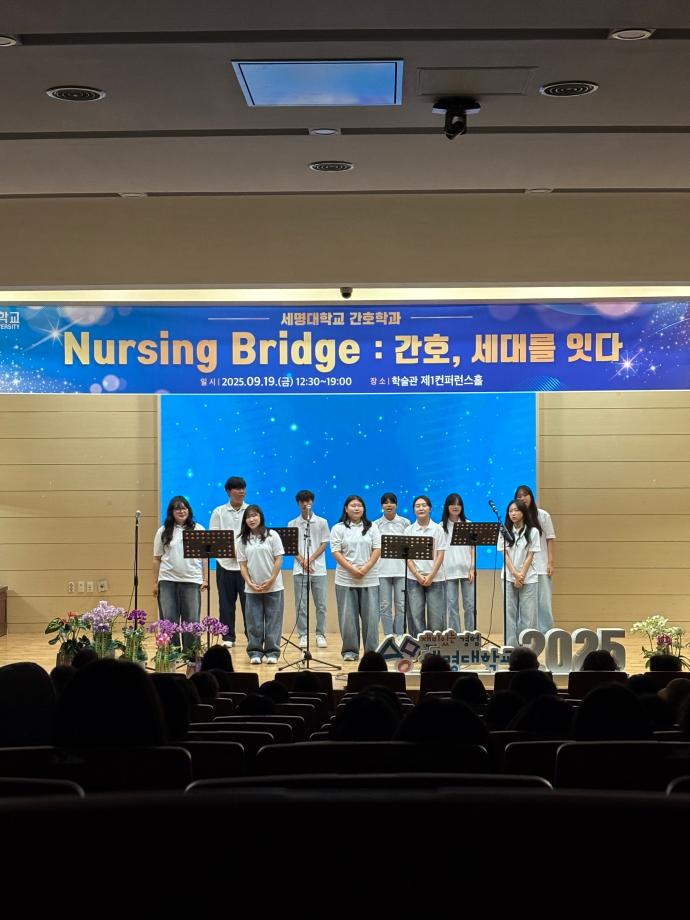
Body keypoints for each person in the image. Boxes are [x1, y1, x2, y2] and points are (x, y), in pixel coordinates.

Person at [330, 494, 381, 662]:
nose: (357, 508)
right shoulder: (338, 528)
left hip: (369, 579)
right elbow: (336, 551)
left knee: (371, 619)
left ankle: (371, 653)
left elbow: (377, 549)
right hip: (345, 579)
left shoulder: (372, 527)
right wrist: (352, 570)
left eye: (359, 505)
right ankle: (350, 651)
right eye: (353, 505)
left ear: (364, 509)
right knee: (348, 619)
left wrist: (365, 569)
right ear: (346, 509)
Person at [153, 495, 208, 648]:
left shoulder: (198, 529)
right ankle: (172, 652)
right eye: (177, 509)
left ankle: (191, 654)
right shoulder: (163, 531)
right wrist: (155, 583)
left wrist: (205, 579)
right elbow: (156, 558)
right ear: (171, 512)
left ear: (189, 510)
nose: (181, 511)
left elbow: (205, 557)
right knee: (169, 620)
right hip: (167, 580)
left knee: (191, 620)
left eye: (184, 508)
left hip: (191, 580)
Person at [236, 504, 285, 665]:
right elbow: (242, 564)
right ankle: (255, 652)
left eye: (254, 515)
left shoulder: (272, 535)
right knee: (254, 622)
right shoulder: (242, 540)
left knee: (273, 621)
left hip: (274, 586)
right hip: (252, 588)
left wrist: (271, 580)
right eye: (248, 517)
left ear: (261, 517)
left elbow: (279, 559)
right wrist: (249, 582)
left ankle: (272, 652)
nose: (252, 519)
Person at [287, 489, 330, 649]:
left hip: (318, 570)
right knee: (301, 605)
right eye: (302, 501)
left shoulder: (322, 522)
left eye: (308, 501)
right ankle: (303, 635)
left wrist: (310, 560)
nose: (306, 504)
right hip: (299, 570)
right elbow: (291, 546)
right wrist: (302, 561)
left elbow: (324, 543)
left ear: (313, 502)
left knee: (321, 605)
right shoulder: (292, 523)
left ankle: (320, 634)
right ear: (298, 503)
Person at [209, 476, 248, 648]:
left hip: (246, 566)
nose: (241, 492)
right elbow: (215, 537)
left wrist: (241, 554)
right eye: (237, 489)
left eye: (243, 488)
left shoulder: (251, 511)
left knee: (249, 603)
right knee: (225, 603)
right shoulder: (218, 512)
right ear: (228, 491)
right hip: (224, 564)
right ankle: (228, 637)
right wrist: (231, 551)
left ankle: (252, 637)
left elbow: (255, 535)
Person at [497, 498, 541, 648]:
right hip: (508, 577)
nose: (513, 513)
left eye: (516, 510)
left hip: (529, 578)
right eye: (510, 511)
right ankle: (511, 647)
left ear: (523, 512)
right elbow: (505, 555)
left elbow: (530, 555)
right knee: (509, 614)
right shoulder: (504, 531)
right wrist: (515, 574)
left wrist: (521, 575)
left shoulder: (533, 531)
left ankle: (527, 649)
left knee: (528, 616)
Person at [514, 485, 556, 633]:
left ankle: (546, 634)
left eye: (525, 495)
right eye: (519, 496)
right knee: (524, 604)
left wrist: (550, 562)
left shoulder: (543, 515)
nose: (522, 498)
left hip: (541, 566)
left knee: (544, 602)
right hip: (522, 569)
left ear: (531, 496)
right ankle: (525, 634)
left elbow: (550, 539)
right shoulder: (517, 517)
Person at [404, 495, 447, 635]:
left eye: (424, 505)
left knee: (436, 619)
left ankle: (435, 647)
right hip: (414, 579)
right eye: (417, 506)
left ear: (430, 508)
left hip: (436, 578)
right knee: (416, 617)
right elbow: (407, 557)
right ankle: (418, 646)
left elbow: (440, 554)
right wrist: (417, 575)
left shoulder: (438, 529)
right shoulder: (408, 530)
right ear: (413, 510)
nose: (421, 508)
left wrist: (431, 576)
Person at [374, 492, 411, 636]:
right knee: (385, 606)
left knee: (401, 605)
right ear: (381, 505)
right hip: (382, 571)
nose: (389, 505)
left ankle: (399, 635)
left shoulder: (405, 523)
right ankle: (388, 636)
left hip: (401, 570)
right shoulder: (375, 524)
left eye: (392, 502)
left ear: (397, 505)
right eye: (386, 502)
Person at [441, 492, 475, 632]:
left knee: (470, 606)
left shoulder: (468, 524)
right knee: (452, 606)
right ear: (447, 507)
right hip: (448, 572)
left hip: (466, 571)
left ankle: (470, 635)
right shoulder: (441, 527)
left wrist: (472, 568)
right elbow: (439, 552)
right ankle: (455, 636)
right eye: (452, 504)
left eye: (458, 504)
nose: (455, 507)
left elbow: (473, 548)